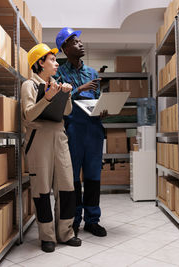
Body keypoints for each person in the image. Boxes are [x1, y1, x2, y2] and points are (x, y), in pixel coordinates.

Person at [21, 43, 82, 253]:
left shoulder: (57, 83)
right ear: (40, 63)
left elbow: (67, 111)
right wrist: (46, 98)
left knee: (66, 187)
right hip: (38, 139)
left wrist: (66, 94)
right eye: (52, 60)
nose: (57, 64)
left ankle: (65, 233)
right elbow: (28, 114)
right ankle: (47, 236)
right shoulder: (29, 85)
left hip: (59, 137)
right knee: (42, 190)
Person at [54, 27, 107, 237]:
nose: (80, 44)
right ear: (65, 48)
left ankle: (92, 220)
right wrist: (79, 89)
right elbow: (58, 100)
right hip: (72, 130)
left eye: (80, 41)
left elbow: (96, 100)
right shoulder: (59, 73)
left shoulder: (92, 73)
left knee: (93, 178)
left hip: (93, 129)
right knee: (73, 178)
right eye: (74, 42)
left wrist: (103, 110)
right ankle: (74, 220)